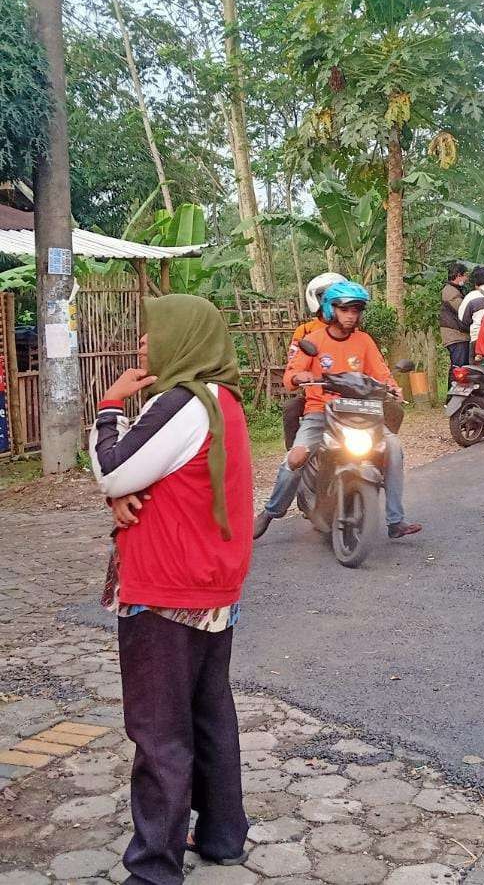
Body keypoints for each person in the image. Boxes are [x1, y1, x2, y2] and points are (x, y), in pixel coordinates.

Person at [90, 295, 254, 884]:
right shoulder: (224, 402)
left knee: (159, 729)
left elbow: (113, 466)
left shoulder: (179, 404)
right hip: (212, 583)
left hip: (165, 588)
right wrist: (120, 491)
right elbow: (143, 476)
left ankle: (154, 867)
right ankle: (222, 832)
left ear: (182, 339)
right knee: (209, 712)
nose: (141, 344)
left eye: (151, 333)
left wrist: (109, 404)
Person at [254, 281, 423, 540]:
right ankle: (270, 512)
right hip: (320, 411)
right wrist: (301, 376)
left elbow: (381, 372)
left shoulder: (364, 341)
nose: (351, 316)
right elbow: (290, 376)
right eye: (345, 310)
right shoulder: (312, 341)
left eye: (355, 310)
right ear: (331, 309)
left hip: (361, 411)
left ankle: (395, 519)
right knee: (296, 457)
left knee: (393, 448)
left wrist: (392, 387)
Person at [283, 271, 346, 448]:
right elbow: (293, 366)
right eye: (327, 296)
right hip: (316, 397)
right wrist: (299, 376)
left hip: (352, 398)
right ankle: (293, 457)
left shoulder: (354, 331)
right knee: (291, 408)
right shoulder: (305, 331)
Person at [440, 261, 471, 370]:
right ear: (458, 275)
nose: (466, 279)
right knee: (459, 369)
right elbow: (463, 310)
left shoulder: (454, 290)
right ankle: (453, 387)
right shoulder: (450, 291)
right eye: (465, 275)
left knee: (459, 368)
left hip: (457, 335)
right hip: (456, 335)